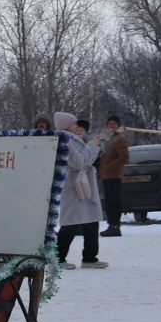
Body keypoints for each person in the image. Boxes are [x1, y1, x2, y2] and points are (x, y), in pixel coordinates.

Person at [53, 114, 106, 269]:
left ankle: (90, 257)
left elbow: (85, 161)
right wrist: (93, 145)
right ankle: (58, 258)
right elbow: (80, 162)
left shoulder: (74, 139)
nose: (77, 125)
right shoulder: (65, 141)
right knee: (71, 222)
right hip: (74, 186)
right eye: (74, 123)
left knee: (91, 220)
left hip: (83, 185)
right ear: (66, 125)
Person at [98, 115, 130, 237]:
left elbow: (124, 157)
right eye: (109, 124)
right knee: (109, 202)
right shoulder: (109, 139)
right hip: (107, 176)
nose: (111, 126)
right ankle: (112, 225)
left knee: (114, 202)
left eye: (114, 124)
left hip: (114, 176)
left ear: (118, 126)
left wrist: (109, 167)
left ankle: (115, 226)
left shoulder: (119, 139)